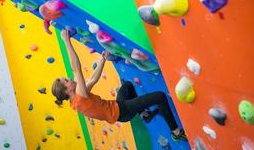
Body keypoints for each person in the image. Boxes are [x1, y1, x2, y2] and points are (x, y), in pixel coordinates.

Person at [51, 30, 187, 141]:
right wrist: (66, 40)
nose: (69, 78)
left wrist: (103, 59)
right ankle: (176, 132)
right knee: (160, 97)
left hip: (116, 107)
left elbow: (92, 79)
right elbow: (76, 68)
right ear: (67, 91)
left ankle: (144, 114)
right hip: (123, 111)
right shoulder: (80, 98)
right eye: (66, 81)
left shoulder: (76, 100)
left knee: (127, 86)